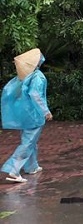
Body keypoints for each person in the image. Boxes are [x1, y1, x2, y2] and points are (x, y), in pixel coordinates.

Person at [1, 48, 52, 183]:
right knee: (28, 142)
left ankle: (31, 166)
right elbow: (36, 95)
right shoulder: (38, 77)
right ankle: (13, 170)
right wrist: (45, 111)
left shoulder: (26, 77)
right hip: (34, 115)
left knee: (30, 141)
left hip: (25, 115)